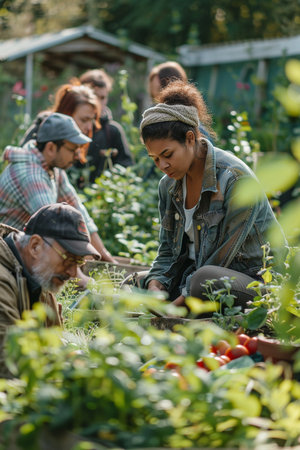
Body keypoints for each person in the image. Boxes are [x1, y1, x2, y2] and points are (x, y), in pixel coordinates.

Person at [139, 80, 286, 314]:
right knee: (137, 282)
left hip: (255, 282)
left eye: (167, 155)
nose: (162, 165)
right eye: (155, 158)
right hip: (198, 277)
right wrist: (156, 287)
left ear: (189, 138)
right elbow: (167, 250)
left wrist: (173, 308)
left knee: (203, 280)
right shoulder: (168, 186)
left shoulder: (235, 180)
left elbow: (220, 260)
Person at [0, 202, 101, 378]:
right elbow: (9, 363)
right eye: (68, 259)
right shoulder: (3, 279)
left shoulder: (40, 277)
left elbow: (54, 346)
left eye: (78, 262)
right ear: (35, 246)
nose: (72, 273)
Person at [0, 112, 115, 263]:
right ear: (51, 148)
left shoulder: (53, 168)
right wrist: (80, 275)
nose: (77, 155)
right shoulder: (31, 175)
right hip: (6, 258)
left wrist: (105, 256)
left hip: (25, 251)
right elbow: (54, 228)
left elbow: (78, 210)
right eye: (73, 149)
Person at [79, 68, 134, 181]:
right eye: (94, 96)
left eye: (103, 97)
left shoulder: (113, 131)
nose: (99, 102)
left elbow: (126, 166)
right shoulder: (73, 126)